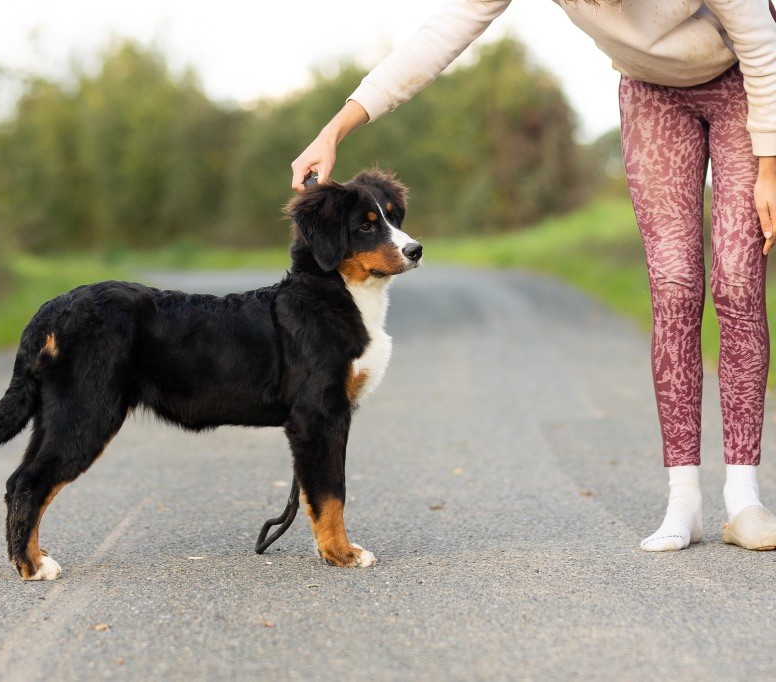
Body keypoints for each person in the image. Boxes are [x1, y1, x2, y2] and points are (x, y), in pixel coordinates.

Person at [291, 0, 776, 552]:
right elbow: (441, 36)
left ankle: (744, 498)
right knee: (674, 285)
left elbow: (759, 36)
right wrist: (336, 128)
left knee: (738, 278)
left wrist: (771, 164)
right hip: (652, 94)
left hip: (745, 80)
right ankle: (683, 501)